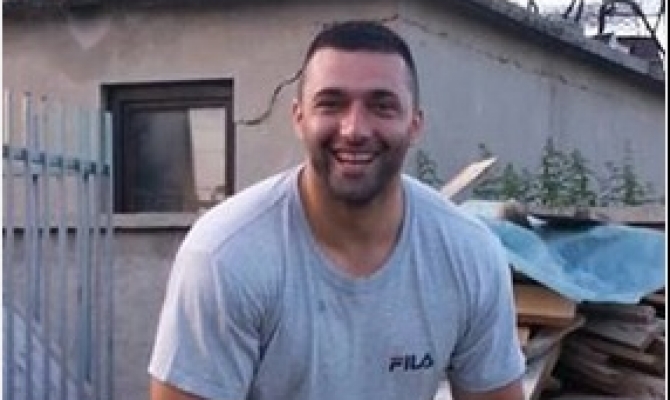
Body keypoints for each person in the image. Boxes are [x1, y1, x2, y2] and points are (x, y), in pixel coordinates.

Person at [148, 20, 525, 400]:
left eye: (381, 106)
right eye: (331, 104)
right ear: (299, 118)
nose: (354, 129)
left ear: (414, 125)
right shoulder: (226, 257)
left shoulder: (468, 254)